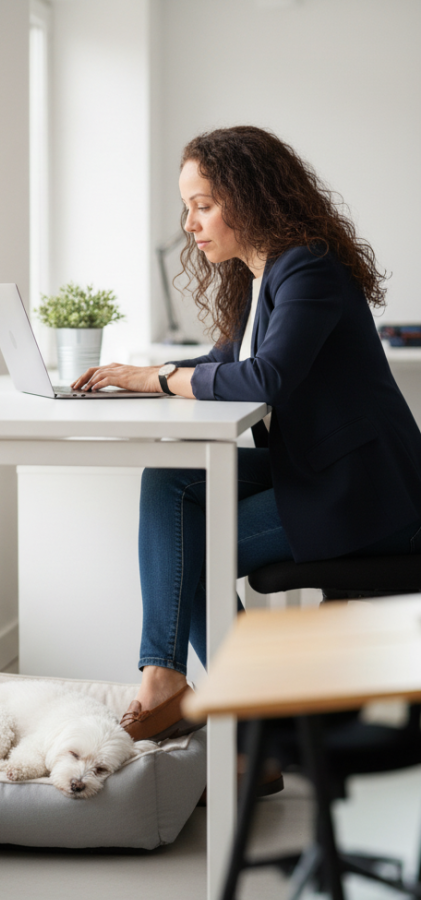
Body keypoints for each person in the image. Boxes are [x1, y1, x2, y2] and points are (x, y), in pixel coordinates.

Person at [73, 125, 421, 745]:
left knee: (193, 551)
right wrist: (142, 380)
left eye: (203, 205)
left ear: (252, 197)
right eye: (187, 207)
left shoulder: (307, 267)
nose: (189, 223)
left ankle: (242, 724)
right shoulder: (260, 278)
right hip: (320, 471)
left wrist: (156, 377)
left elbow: (268, 375)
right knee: (173, 482)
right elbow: (218, 369)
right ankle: (176, 681)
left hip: (366, 490)